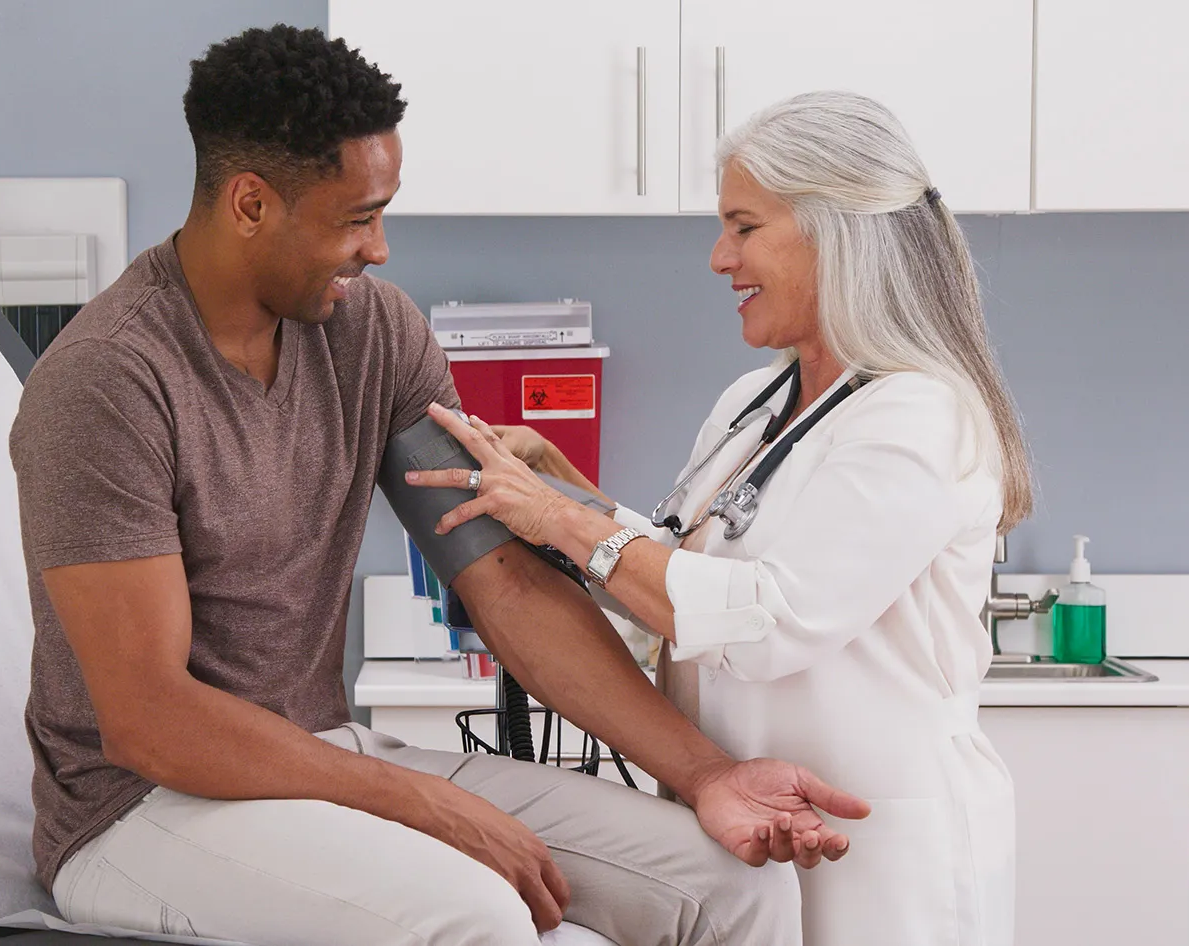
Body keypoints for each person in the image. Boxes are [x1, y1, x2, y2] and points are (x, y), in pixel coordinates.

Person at [9, 26, 869, 946]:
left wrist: (705, 777)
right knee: (476, 916)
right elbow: (148, 721)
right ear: (250, 204)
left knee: (735, 887)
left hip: (318, 757)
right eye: (353, 219)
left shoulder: (373, 333)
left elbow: (501, 578)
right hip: (139, 814)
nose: (379, 248)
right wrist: (422, 803)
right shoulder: (106, 382)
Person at [408, 90, 1030, 946]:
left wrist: (561, 518)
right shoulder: (757, 401)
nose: (717, 258)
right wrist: (567, 489)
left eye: (744, 227)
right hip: (751, 824)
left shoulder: (921, 415)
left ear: (833, 230)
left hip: (882, 841)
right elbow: (683, 575)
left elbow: (770, 617)